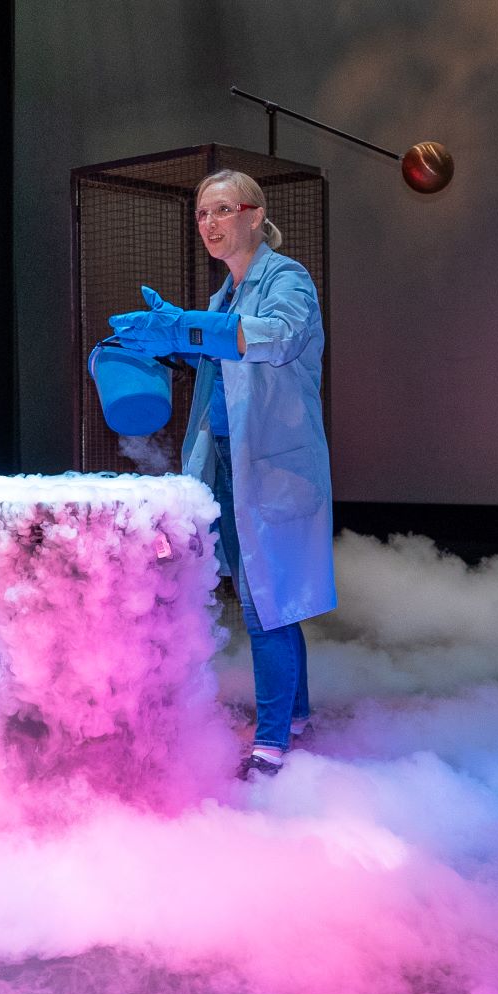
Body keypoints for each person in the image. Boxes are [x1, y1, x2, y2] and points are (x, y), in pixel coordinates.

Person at [109, 170, 336, 779]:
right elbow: (219, 355)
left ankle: (269, 746)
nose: (209, 225)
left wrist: (184, 326)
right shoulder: (224, 297)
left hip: (274, 470)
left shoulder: (287, 279)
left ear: (255, 215)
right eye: (201, 215)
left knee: (268, 603)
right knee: (270, 598)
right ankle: (294, 716)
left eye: (221, 211)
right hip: (233, 468)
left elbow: (274, 338)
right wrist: (165, 342)